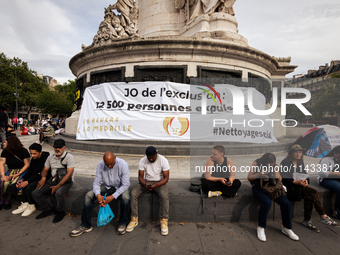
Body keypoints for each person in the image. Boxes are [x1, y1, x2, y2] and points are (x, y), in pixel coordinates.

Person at [70, 151, 130, 237]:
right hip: (106, 186)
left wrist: (112, 197)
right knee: (89, 196)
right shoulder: (101, 165)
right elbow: (96, 183)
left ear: (115, 158)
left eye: (111, 164)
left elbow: (126, 185)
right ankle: (86, 225)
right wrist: (98, 195)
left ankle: (122, 223)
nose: (109, 166)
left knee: (126, 198)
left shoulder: (123, 164)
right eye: (107, 164)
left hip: (120, 187)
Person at [281, 144, 337, 232]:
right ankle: (323, 216)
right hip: (291, 187)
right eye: (296, 152)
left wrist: (306, 180)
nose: (298, 154)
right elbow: (282, 177)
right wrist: (293, 181)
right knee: (313, 192)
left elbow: (305, 174)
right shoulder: (285, 162)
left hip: (300, 186)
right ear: (291, 153)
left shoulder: (300, 162)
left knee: (309, 196)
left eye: (300, 152)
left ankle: (307, 220)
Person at [248, 153, 299, 242]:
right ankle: (261, 227)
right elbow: (249, 177)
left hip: (271, 188)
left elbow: (280, 179)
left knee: (286, 203)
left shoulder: (275, 166)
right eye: (269, 164)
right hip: (258, 188)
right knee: (267, 202)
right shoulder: (256, 163)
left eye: (272, 164)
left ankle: (287, 227)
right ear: (264, 161)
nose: (270, 166)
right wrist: (260, 174)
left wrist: (276, 176)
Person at [126, 146, 170, 236]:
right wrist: (145, 184)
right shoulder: (143, 160)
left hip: (159, 182)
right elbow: (140, 177)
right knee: (133, 193)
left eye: (152, 158)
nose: (150, 159)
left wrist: (156, 185)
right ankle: (134, 218)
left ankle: (164, 220)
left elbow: (166, 178)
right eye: (149, 158)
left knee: (164, 196)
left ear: (156, 154)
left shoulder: (163, 160)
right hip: (146, 182)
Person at [32, 139, 75, 223]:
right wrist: (43, 178)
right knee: (35, 193)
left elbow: (69, 174)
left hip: (66, 181)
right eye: (55, 147)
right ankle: (48, 209)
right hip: (53, 179)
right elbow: (45, 169)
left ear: (64, 147)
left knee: (59, 192)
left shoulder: (69, 157)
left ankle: (60, 211)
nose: (57, 149)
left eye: (59, 147)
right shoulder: (51, 157)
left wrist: (58, 186)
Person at [10, 143, 50, 216]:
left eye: (34, 153)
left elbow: (40, 174)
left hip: (42, 178)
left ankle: (31, 205)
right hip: (33, 177)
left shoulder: (46, 159)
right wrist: (23, 179)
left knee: (28, 188)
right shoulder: (34, 159)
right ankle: (24, 203)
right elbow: (30, 170)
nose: (32, 156)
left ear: (40, 152)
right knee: (13, 186)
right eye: (31, 153)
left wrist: (27, 182)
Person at [0, 135, 30, 210]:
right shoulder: (5, 151)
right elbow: (1, 163)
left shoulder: (23, 151)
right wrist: (3, 175)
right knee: (3, 183)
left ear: (11, 143)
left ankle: (7, 201)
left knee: (13, 183)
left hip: (22, 170)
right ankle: (1, 201)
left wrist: (19, 173)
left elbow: (27, 164)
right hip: (11, 170)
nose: (4, 143)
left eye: (5, 142)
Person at [318, 146, 340, 220]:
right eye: (338, 154)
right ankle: (337, 211)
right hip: (326, 179)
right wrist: (337, 174)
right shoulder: (326, 160)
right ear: (335, 153)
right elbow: (322, 173)